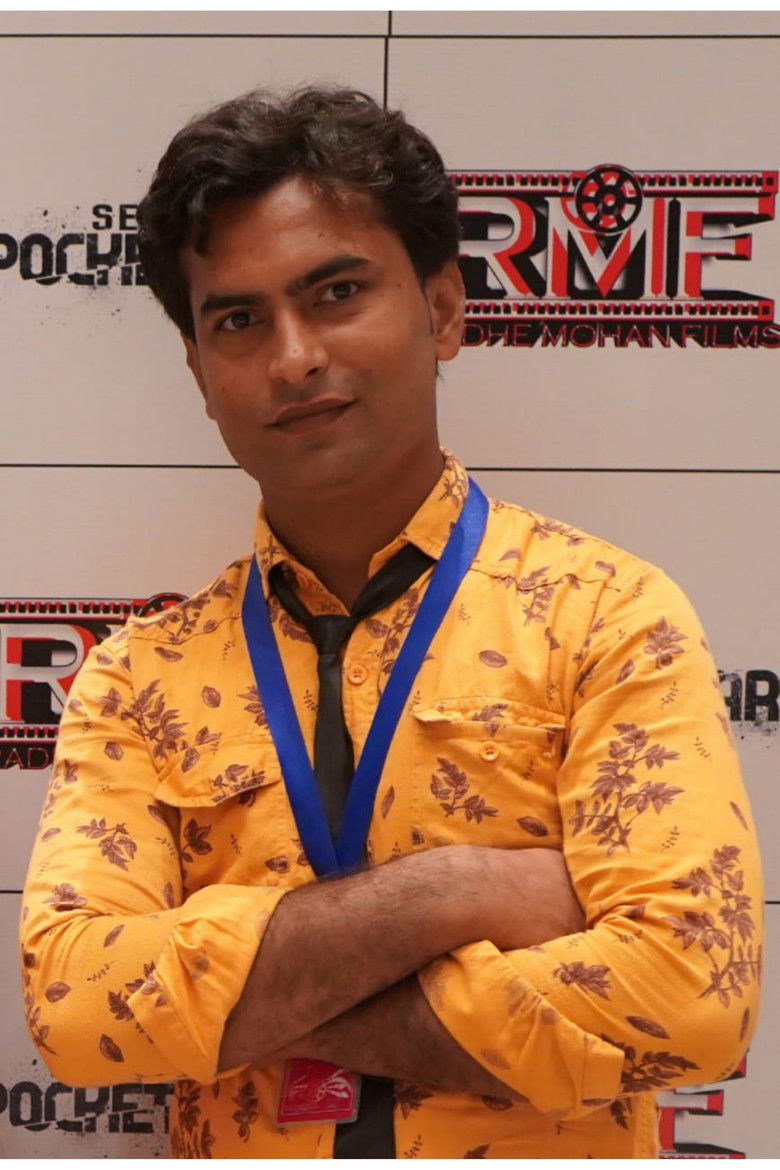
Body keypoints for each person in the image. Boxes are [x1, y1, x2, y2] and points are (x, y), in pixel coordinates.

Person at [20, 86, 762, 1159]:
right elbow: (79, 1011)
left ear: (444, 309)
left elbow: (692, 996)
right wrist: (454, 894)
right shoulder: (139, 679)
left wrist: (245, 1005)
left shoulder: (605, 617)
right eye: (239, 320)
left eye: (336, 293)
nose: (293, 357)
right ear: (200, 374)